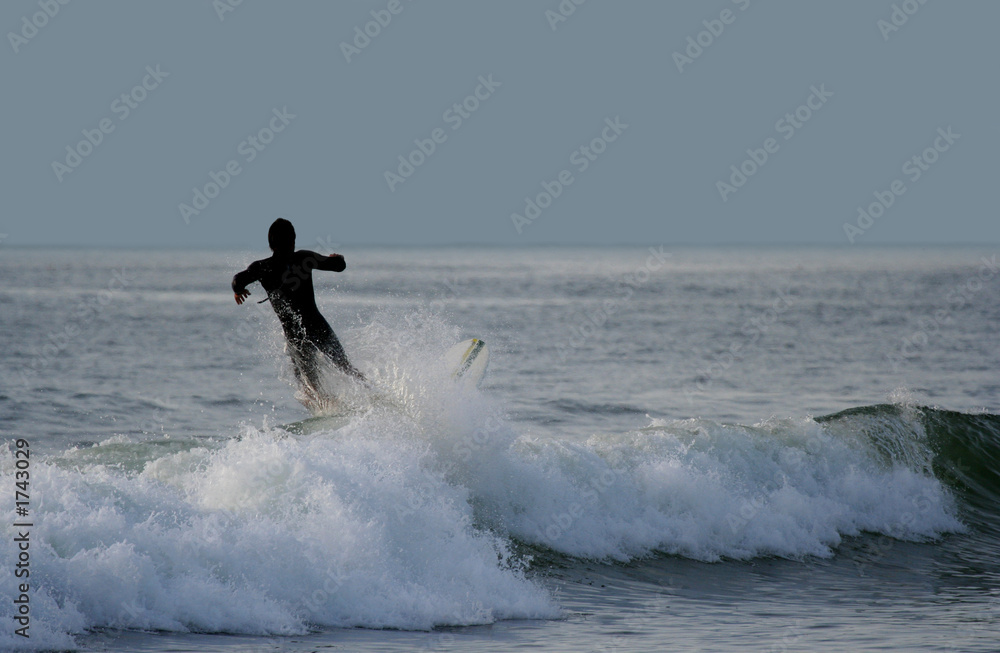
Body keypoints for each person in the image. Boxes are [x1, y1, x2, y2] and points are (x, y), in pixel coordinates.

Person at [232, 218, 365, 402]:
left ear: (271, 244)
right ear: (293, 240)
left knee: (311, 387)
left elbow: (238, 280)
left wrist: (238, 291)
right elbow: (339, 266)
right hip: (318, 327)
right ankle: (371, 394)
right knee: (346, 368)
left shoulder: (262, 267)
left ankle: (328, 413)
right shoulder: (304, 258)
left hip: (295, 337)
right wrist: (337, 258)